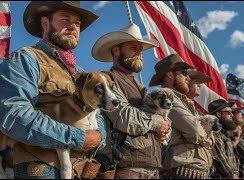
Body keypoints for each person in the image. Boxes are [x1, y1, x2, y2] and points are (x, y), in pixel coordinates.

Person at [0, 1, 106, 179]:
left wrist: (99, 136)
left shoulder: (81, 72)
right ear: (45, 23)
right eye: (65, 20)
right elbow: (14, 114)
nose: (73, 27)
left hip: (82, 171)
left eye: (77, 23)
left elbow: (98, 112)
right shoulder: (26, 58)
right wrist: (78, 138)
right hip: (43, 170)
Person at [91, 23, 170, 179]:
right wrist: (158, 123)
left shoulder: (141, 88)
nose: (139, 54)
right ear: (116, 50)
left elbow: (162, 121)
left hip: (152, 170)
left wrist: (164, 130)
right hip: (126, 169)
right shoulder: (107, 81)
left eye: (140, 50)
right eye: (134, 48)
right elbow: (125, 117)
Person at [149, 54, 214, 179]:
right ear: (169, 74)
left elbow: (197, 130)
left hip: (192, 173)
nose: (188, 78)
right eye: (184, 73)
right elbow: (195, 130)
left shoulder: (182, 102)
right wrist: (208, 140)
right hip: (180, 173)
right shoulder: (167, 99)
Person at [207, 99, 240, 179]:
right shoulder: (214, 132)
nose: (232, 115)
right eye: (229, 112)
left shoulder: (223, 133)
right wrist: (232, 175)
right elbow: (219, 158)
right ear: (218, 114)